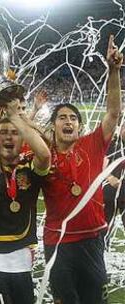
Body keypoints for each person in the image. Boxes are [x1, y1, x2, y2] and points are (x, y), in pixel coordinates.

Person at [42, 35, 122, 304]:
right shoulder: (42, 153)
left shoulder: (92, 144)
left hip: (91, 241)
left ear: (79, 125)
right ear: (53, 125)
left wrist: (113, 71)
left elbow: (112, 114)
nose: (68, 121)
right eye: (62, 117)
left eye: (73, 118)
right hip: (58, 244)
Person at [0, 100, 51, 304]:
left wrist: (17, 116)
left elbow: (44, 153)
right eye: (3, 132)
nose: (8, 136)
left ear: (23, 138)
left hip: (20, 260)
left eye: (15, 132)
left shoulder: (30, 167)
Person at [103, 122, 125, 242]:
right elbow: (102, 165)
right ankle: (103, 249)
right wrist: (110, 177)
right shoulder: (113, 145)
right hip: (110, 191)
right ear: (121, 128)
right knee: (106, 224)